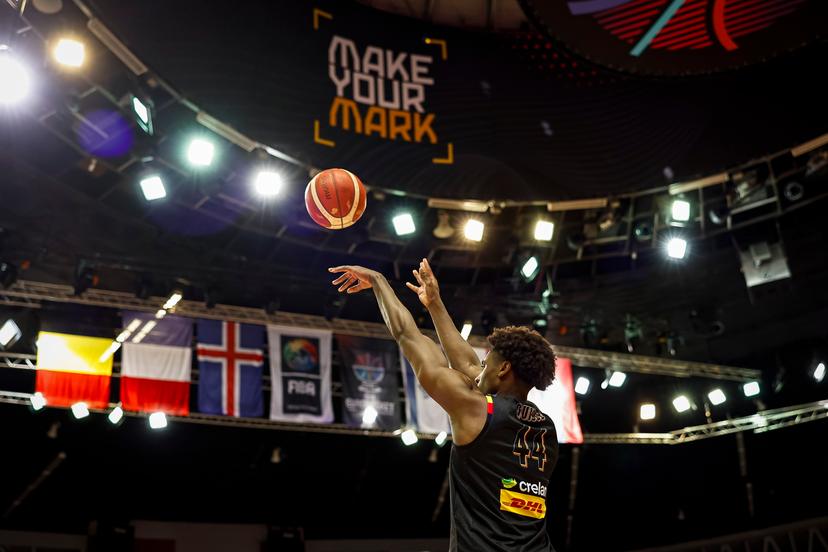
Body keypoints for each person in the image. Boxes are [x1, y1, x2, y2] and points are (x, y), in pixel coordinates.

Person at [329, 258, 559, 551]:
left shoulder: (477, 409)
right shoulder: (547, 428)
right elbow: (466, 363)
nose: (479, 367)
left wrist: (379, 282)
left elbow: (408, 336)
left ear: (503, 370)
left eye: (486, 363)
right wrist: (434, 304)